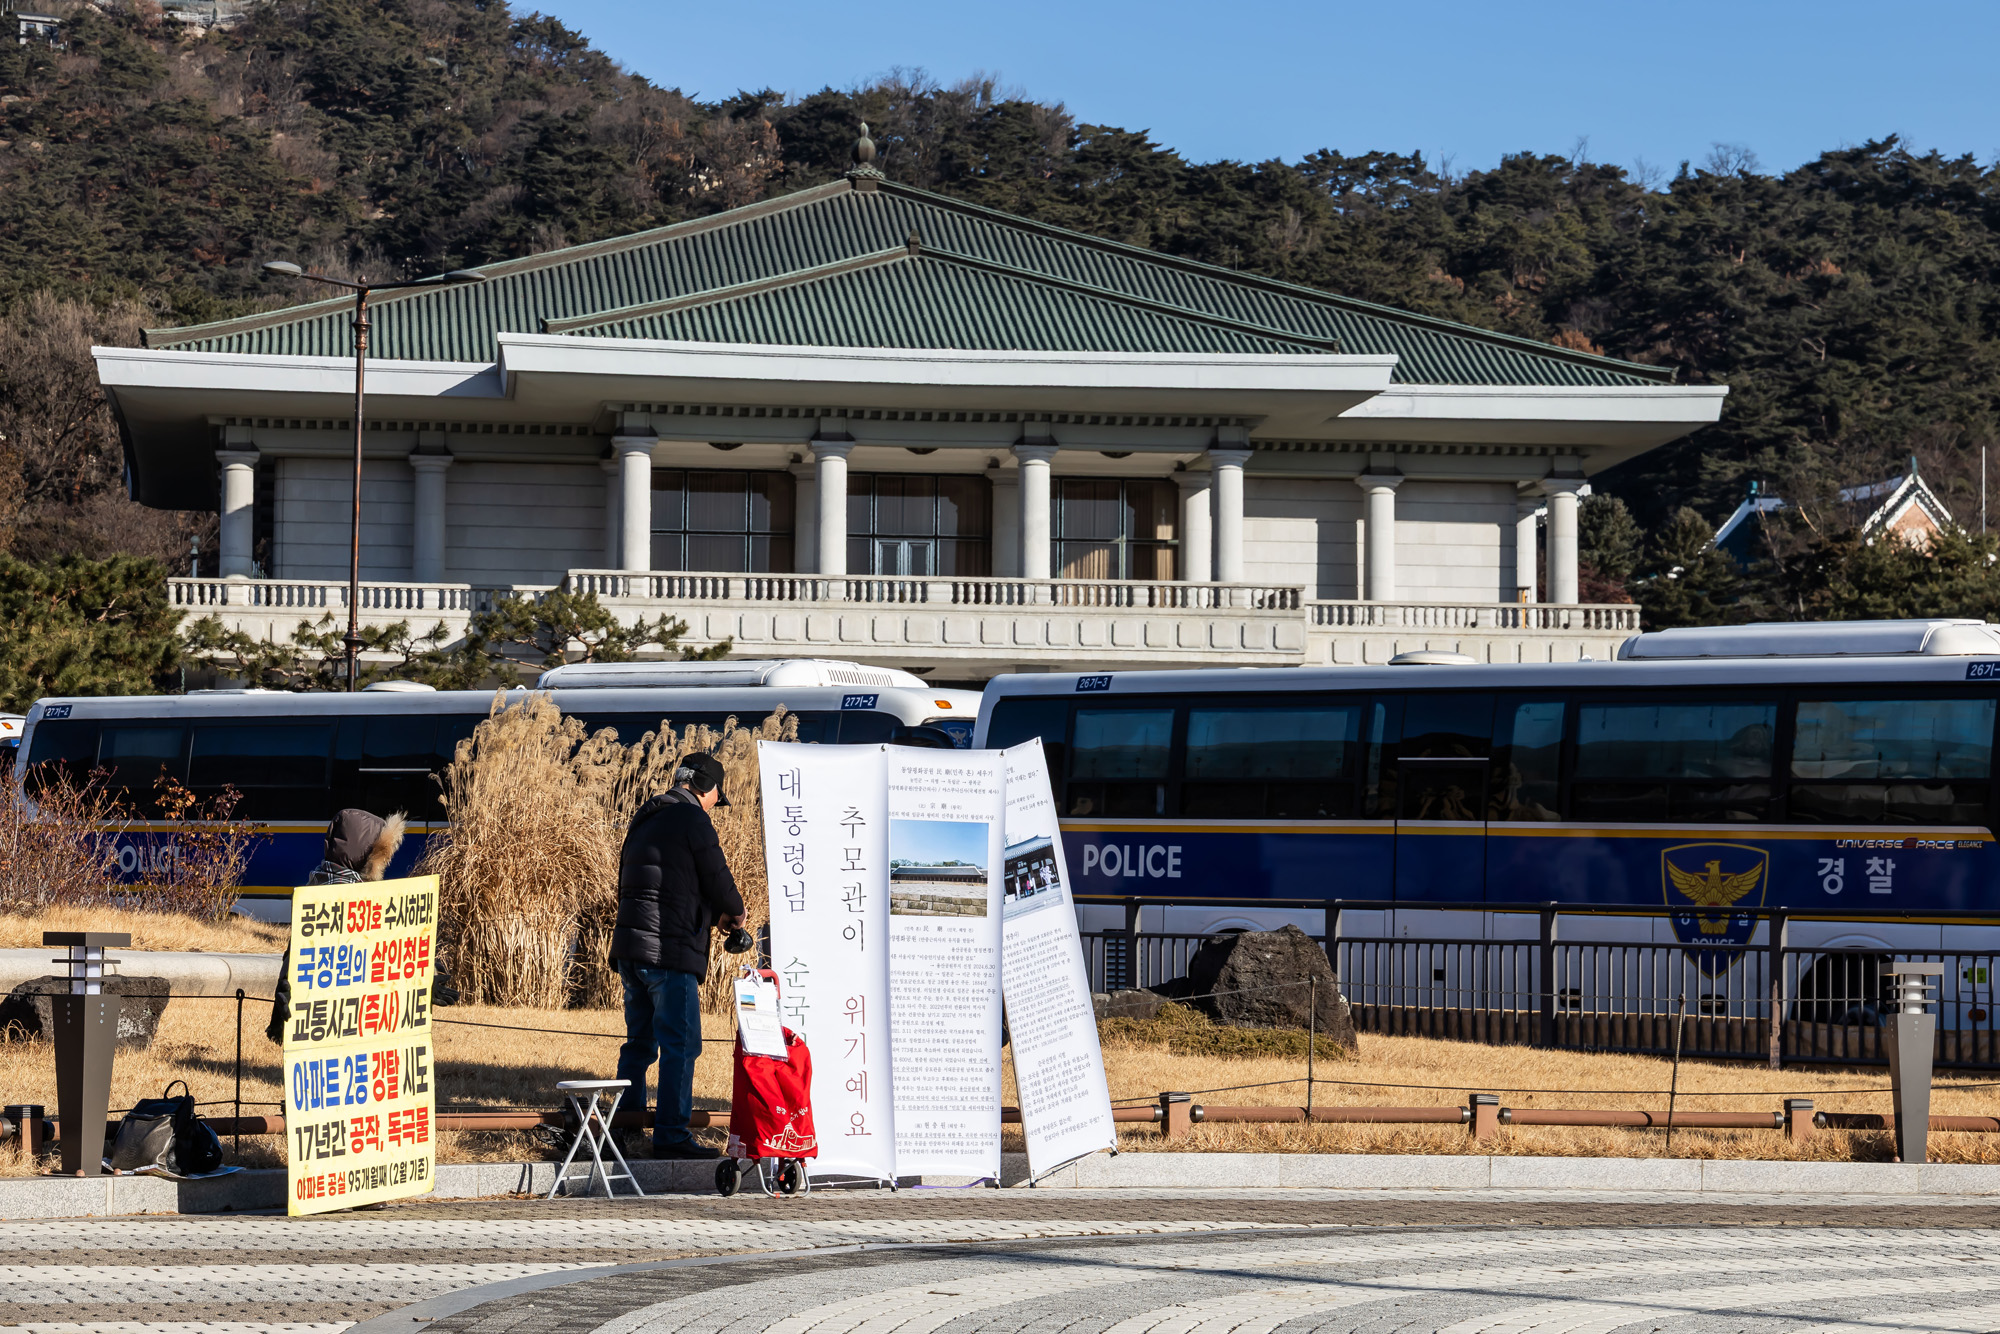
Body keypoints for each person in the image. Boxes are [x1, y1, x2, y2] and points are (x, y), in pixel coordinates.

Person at [610, 751, 745, 1160]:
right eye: (714, 798)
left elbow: (668, 881)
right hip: (668, 954)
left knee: (639, 1044)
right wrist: (735, 915)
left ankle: (624, 1126)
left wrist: (708, 913)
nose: (713, 807)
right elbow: (717, 876)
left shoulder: (647, 815)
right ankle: (671, 1135)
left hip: (632, 950)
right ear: (704, 788)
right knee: (681, 1045)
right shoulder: (692, 819)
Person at [266, 809, 405, 1044]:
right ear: (369, 855)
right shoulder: (361, 902)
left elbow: (294, 960)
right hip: (344, 1027)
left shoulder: (314, 890)